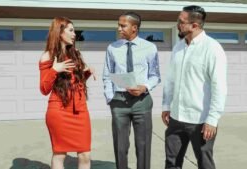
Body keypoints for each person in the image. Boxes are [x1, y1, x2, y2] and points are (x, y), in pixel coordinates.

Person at [162, 5, 227, 169]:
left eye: (181, 22)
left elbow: (219, 86)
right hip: (176, 118)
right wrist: (166, 105)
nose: (178, 24)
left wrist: (212, 119)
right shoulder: (178, 47)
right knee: (171, 163)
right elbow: (170, 80)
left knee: (205, 164)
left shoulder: (212, 48)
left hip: (200, 120)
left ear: (195, 25)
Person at [102, 12, 161, 169]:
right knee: (120, 147)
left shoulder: (150, 48)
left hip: (142, 102)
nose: (119, 28)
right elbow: (107, 75)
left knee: (143, 146)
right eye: (119, 25)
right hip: (119, 102)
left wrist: (145, 87)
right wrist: (111, 98)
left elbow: (155, 76)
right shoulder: (112, 48)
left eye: (123, 25)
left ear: (134, 27)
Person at [39, 17, 96, 169]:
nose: (74, 34)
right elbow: (44, 89)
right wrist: (54, 70)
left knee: (85, 154)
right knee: (60, 154)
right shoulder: (47, 56)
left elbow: (76, 82)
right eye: (70, 30)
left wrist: (86, 73)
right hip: (59, 111)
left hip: (80, 110)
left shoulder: (76, 53)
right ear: (59, 32)